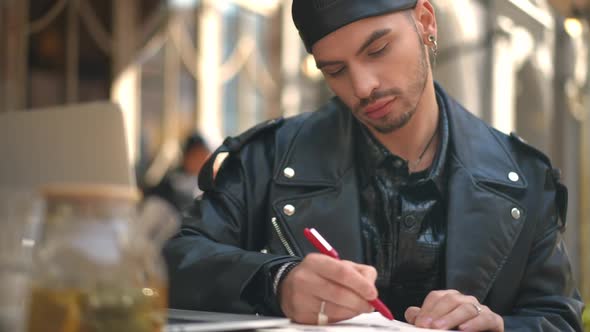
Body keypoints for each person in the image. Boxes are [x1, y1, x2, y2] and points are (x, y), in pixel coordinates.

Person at [163, 1, 584, 331]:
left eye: (377, 50)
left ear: (425, 21)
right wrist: (277, 282)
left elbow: (557, 315)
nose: (363, 86)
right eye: (335, 70)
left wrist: (500, 327)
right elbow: (175, 264)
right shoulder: (265, 159)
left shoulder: (524, 178)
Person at [144, 133, 210, 214]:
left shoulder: (208, 188)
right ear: (187, 156)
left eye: (204, 156)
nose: (201, 161)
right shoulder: (171, 184)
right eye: (197, 156)